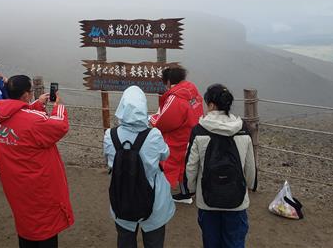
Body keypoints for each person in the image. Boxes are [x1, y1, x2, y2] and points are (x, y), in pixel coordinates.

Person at [0, 75, 73, 248]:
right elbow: (59, 125)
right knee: (45, 225)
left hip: (15, 183)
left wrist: (37, 103)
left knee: (25, 222)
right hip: (38, 184)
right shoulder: (33, 122)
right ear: (26, 94)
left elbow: (17, 114)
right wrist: (59, 106)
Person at [184, 84, 257, 248]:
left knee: (211, 242)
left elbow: (191, 166)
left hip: (207, 200)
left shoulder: (199, 131)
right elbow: (250, 164)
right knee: (235, 242)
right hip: (237, 200)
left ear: (211, 105)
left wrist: (190, 189)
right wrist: (251, 185)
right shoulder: (243, 130)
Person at [104, 86, 175, 248]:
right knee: (154, 241)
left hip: (122, 198)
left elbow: (109, 161)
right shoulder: (154, 135)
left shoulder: (110, 135)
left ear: (122, 106)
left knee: (125, 240)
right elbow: (165, 155)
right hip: (153, 202)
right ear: (143, 107)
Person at [149, 67, 204, 204]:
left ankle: (162, 194)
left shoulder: (175, 97)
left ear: (167, 81)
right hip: (192, 133)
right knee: (185, 164)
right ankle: (185, 193)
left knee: (168, 164)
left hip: (178, 137)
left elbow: (164, 121)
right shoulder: (191, 90)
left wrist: (152, 119)